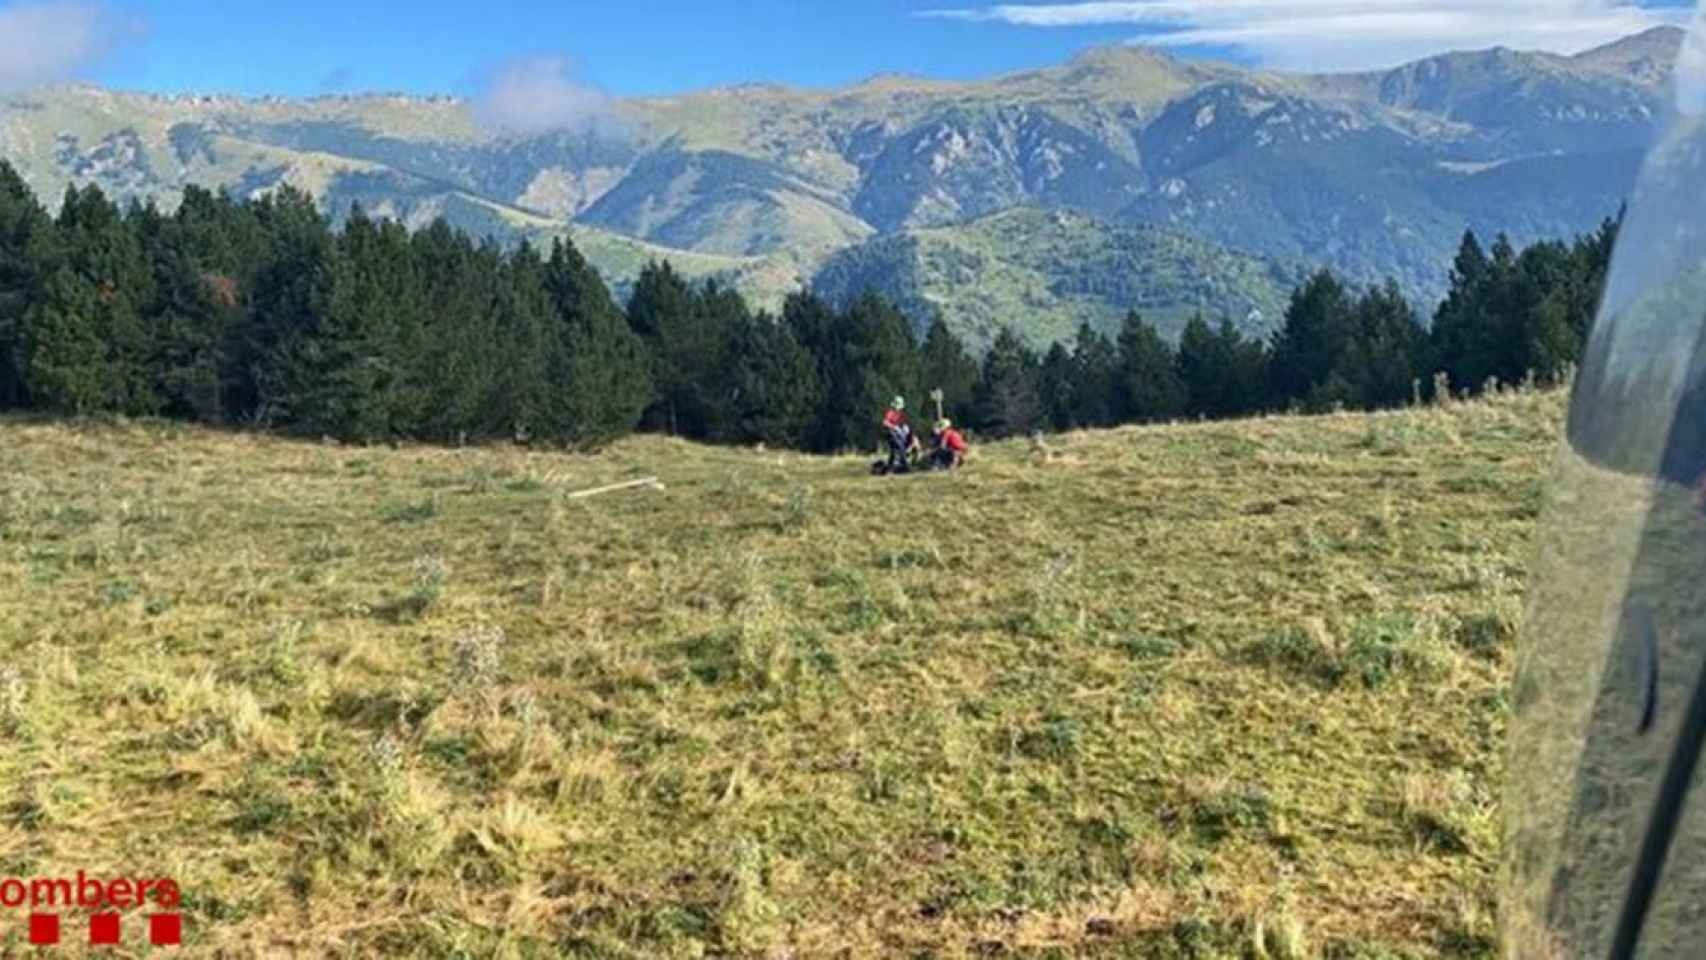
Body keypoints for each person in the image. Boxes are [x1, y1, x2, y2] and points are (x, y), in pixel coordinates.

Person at [880, 396, 918, 474]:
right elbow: (885, 422)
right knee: (899, 448)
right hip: (892, 435)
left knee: (896, 451)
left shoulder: (901, 414)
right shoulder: (890, 412)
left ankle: (894, 466)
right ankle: (904, 465)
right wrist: (894, 427)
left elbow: (904, 423)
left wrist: (905, 429)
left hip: (901, 434)